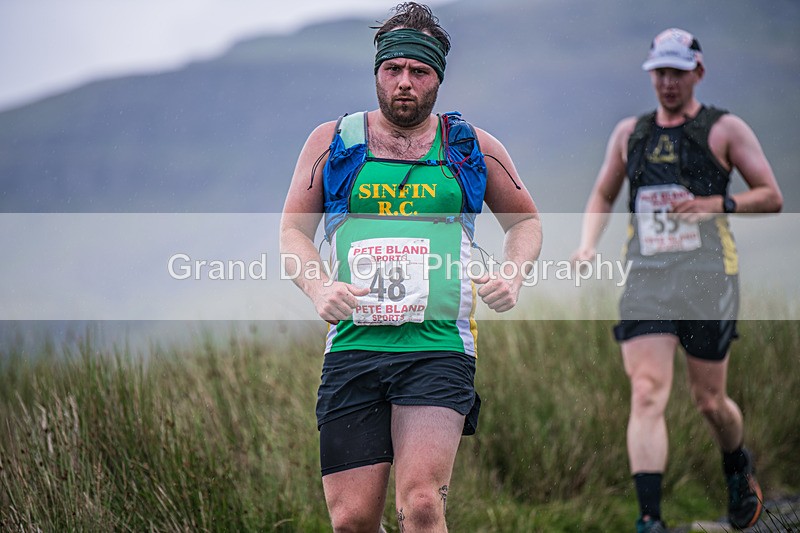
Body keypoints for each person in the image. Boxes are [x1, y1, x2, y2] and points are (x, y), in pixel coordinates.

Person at [280, 3, 541, 531]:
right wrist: (317, 288)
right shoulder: (333, 142)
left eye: (419, 72)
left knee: (421, 504)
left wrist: (512, 274)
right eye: (393, 69)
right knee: (353, 520)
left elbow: (527, 223)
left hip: (439, 346)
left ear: (437, 78)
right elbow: (292, 234)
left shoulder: (470, 146)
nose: (405, 82)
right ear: (377, 72)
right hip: (354, 347)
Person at [571, 28, 783, 532]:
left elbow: (770, 195)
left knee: (709, 401)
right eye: (659, 73)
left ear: (698, 74)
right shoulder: (631, 133)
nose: (667, 82)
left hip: (709, 276)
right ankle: (650, 520)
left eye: (677, 73)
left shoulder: (724, 129)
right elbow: (603, 194)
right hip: (647, 277)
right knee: (646, 392)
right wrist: (586, 244)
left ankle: (736, 466)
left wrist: (716, 204)